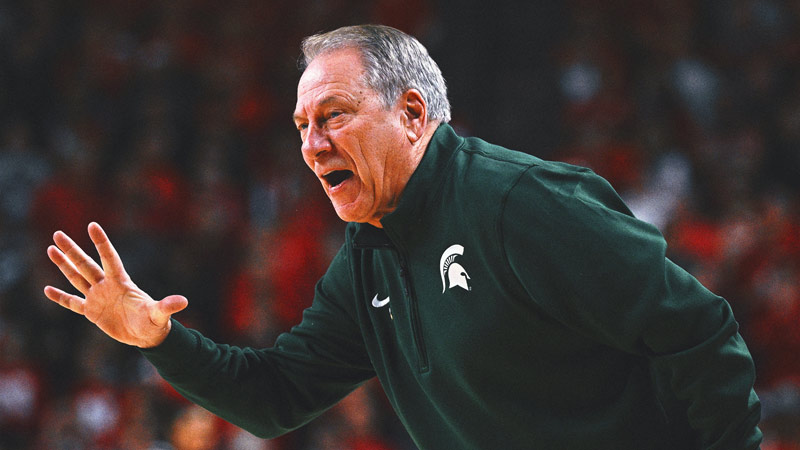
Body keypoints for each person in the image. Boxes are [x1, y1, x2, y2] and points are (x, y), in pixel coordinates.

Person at [44, 24, 762, 449]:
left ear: (412, 115)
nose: (313, 145)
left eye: (334, 115)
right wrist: (159, 339)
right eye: (302, 127)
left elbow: (699, 331)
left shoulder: (521, 202)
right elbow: (275, 396)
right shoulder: (367, 258)